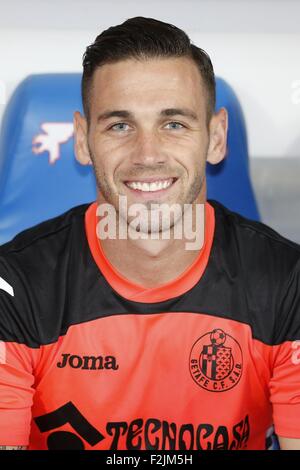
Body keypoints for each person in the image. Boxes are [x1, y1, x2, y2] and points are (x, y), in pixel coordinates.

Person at [0, 16, 300, 451]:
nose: (147, 154)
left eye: (173, 124)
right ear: (82, 140)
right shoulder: (14, 287)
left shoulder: (288, 283)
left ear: (216, 137)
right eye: (120, 125)